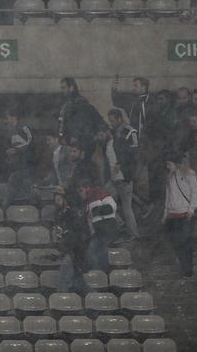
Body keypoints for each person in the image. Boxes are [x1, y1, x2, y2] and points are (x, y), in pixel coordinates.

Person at [106, 108, 139, 241]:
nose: (111, 124)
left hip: (124, 176)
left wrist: (123, 166)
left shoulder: (130, 132)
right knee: (105, 200)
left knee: (126, 207)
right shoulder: (114, 132)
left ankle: (133, 233)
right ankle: (122, 226)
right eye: (110, 121)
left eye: (113, 121)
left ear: (120, 119)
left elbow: (133, 155)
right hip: (115, 176)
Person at [162, 159, 197, 277]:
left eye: (169, 164)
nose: (168, 167)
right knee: (177, 243)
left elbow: (195, 191)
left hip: (185, 214)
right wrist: (165, 213)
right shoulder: (169, 177)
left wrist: (192, 208)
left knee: (185, 242)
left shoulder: (189, 174)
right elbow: (168, 196)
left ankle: (187, 269)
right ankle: (184, 267)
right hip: (173, 215)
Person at [51, 187, 89, 295]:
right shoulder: (58, 214)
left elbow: (77, 233)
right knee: (76, 278)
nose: (56, 203)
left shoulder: (71, 213)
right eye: (55, 200)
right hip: (67, 250)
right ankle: (85, 296)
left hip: (74, 251)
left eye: (58, 200)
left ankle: (61, 298)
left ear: (64, 200)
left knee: (65, 275)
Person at [58, 78, 105, 154]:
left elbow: (84, 125)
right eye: (61, 88)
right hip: (70, 145)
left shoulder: (81, 104)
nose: (62, 90)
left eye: (64, 88)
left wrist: (75, 138)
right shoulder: (66, 105)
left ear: (71, 88)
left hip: (80, 147)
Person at [79, 181, 119, 271]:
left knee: (97, 251)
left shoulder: (100, 193)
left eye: (81, 191)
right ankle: (102, 273)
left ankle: (104, 273)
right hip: (98, 232)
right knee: (95, 252)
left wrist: (95, 211)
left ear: (87, 188)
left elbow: (111, 207)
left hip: (107, 229)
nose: (80, 194)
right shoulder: (86, 203)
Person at [2, 111, 35, 209]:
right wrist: (9, 158)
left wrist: (16, 150)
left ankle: (4, 207)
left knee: (14, 180)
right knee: (21, 184)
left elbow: (31, 143)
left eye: (6, 118)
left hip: (28, 166)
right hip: (18, 167)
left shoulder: (24, 128)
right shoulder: (10, 132)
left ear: (13, 118)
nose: (5, 121)